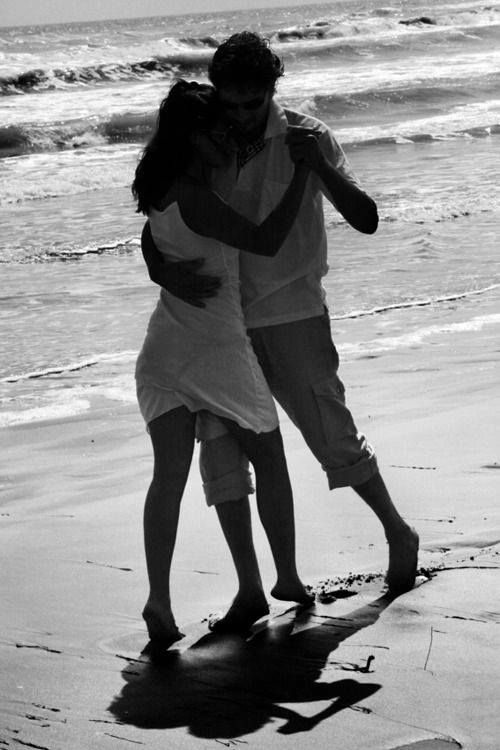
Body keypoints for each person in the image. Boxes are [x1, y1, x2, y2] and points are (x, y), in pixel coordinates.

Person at [141, 32, 419, 622]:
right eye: (231, 103)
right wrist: (160, 267)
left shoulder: (307, 135)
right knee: (221, 460)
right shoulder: (206, 136)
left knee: (330, 435)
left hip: (291, 312)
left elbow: (365, 219)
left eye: (252, 102)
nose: (240, 116)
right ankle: (250, 588)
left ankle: (398, 531)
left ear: (273, 89)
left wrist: (316, 165)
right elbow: (162, 215)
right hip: (218, 326)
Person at [132, 79, 313, 651]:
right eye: (218, 129)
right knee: (271, 457)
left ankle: (159, 600)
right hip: (217, 350)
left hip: (162, 352)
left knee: (169, 478)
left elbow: (147, 232)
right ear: (193, 137)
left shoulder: (162, 185)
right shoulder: (197, 195)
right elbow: (265, 239)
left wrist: (162, 269)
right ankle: (284, 575)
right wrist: (304, 173)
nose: (229, 134)